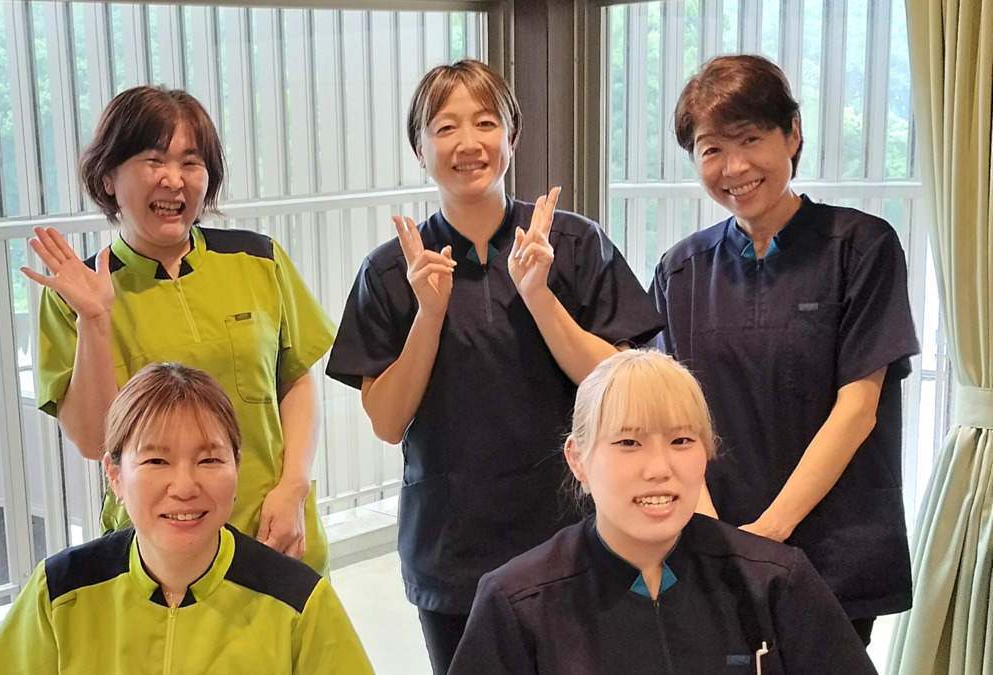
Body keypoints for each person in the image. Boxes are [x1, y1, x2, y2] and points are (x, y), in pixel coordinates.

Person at [326, 59, 663, 673]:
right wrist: (428, 314)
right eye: (445, 127)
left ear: (512, 137)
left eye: (486, 123)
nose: (468, 143)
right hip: (452, 550)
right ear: (420, 149)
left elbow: (622, 386)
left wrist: (539, 294)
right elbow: (387, 421)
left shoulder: (573, 245)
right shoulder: (391, 271)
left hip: (573, 535)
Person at [649, 54, 920, 644]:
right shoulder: (681, 271)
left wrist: (766, 535)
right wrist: (714, 536)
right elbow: (670, 421)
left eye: (751, 139)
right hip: (715, 549)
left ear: (792, 133)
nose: (735, 167)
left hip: (833, 549)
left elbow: (858, 409)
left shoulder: (861, 248)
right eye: (712, 148)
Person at [25, 86, 336, 575]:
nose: (174, 180)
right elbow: (93, 441)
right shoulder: (76, 294)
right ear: (108, 177)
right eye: (153, 161)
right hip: (158, 552)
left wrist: (293, 487)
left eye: (191, 163)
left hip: (272, 532)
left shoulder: (258, 259)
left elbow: (295, 379)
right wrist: (95, 321)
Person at [448, 349, 877, 674]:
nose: (659, 469)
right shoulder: (517, 602)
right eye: (628, 442)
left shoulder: (775, 582)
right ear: (578, 459)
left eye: (681, 441)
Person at [0, 363, 373, 674]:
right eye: (156, 461)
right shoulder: (60, 592)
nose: (184, 486)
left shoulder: (298, 600)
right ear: (115, 476)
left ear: (237, 468)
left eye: (209, 460)